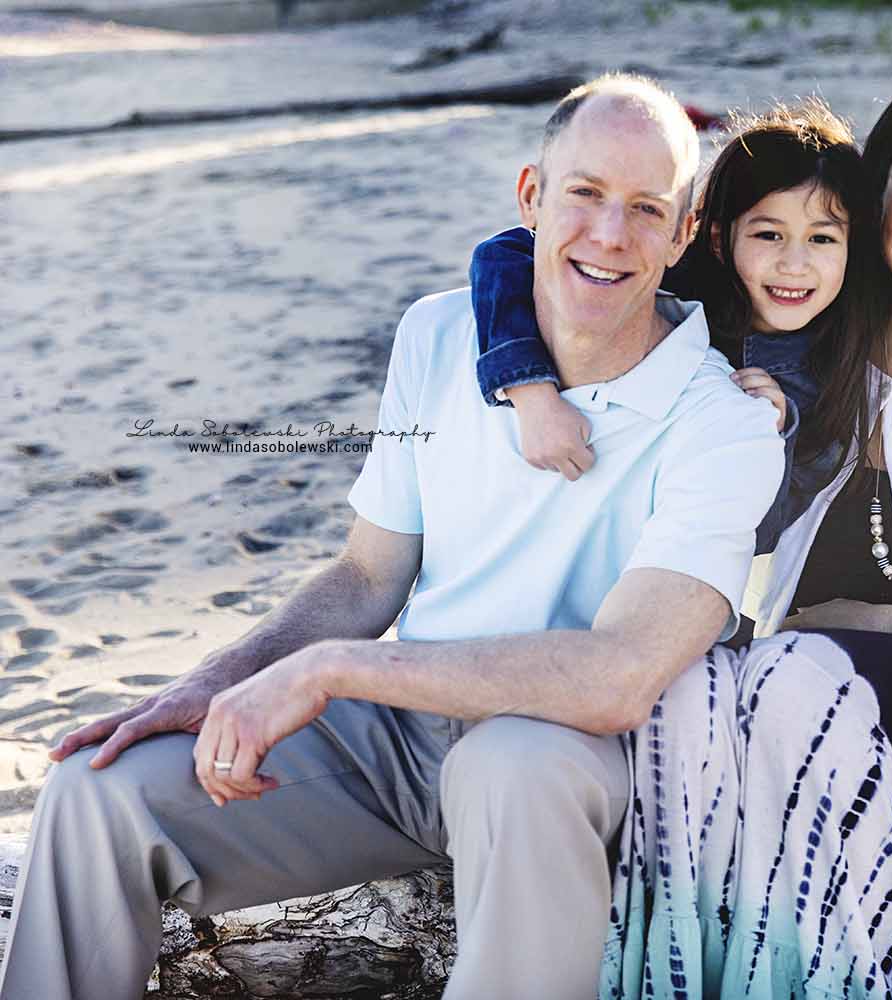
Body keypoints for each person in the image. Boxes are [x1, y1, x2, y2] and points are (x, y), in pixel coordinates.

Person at [0, 73, 786, 1000]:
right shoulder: (439, 334)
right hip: (402, 744)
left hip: (579, 767)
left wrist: (331, 672)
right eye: (585, 194)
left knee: (512, 762)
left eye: (647, 209)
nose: (610, 236)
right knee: (99, 793)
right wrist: (216, 681)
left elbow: (618, 679)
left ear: (684, 233)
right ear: (531, 195)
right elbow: (369, 573)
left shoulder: (724, 422)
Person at [465, 68, 892, 995]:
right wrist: (529, 386)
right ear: (878, 200)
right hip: (784, 688)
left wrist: (884, 626)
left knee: (776, 679)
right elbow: (511, 253)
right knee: (700, 685)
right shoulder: (819, 332)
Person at [470, 98, 866, 553]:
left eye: (822, 239)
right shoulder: (662, 279)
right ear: (717, 238)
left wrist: (772, 438)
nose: (794, 264)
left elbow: (759, 537)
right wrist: (529, 390)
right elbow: (505, 253)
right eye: (768, 235)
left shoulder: (832, 372)